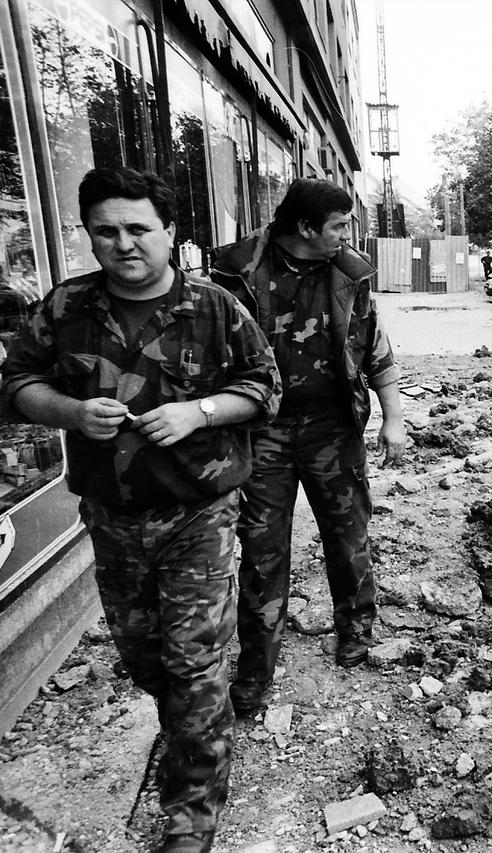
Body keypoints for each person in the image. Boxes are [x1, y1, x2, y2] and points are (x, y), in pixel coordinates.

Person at [0, 168, 281, 853]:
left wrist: (200, 410)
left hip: (198, 514)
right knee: (145, 658)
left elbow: (265, 388)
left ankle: (191, 812)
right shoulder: (65, 308)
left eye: (138, 228)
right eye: (106, 231)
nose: (124, 243)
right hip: (111, 517)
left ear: (169, 232)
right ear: (89, 235)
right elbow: (16, 384)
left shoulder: (214, 307)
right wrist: (70, 411)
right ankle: (189, 731)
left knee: (193, 661)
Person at [210, 178, 407, 718]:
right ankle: (257, 668)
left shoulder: (347, 273)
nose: (347, 235)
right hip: (260, 433)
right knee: (262, 551)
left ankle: (356, 629)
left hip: (332, 429)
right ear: (304, 227)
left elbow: (375, 347)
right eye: (339, 225)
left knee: (348, 534)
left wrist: (393, 417)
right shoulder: (236, 273)